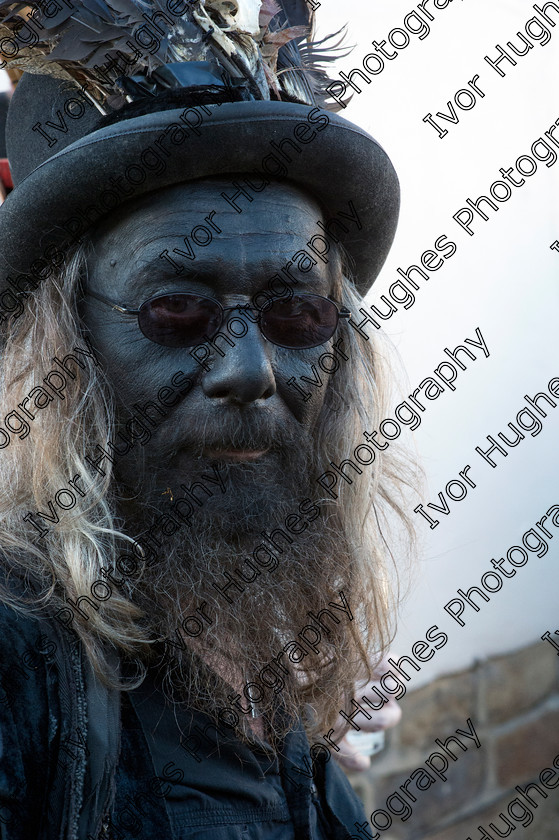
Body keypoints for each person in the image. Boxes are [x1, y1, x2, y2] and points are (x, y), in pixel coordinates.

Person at [0, 1, 407, 837]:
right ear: (63, 345)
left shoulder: (270, 662)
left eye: (296, 315)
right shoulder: (20, 661)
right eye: (177, 309)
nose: (250, 371)